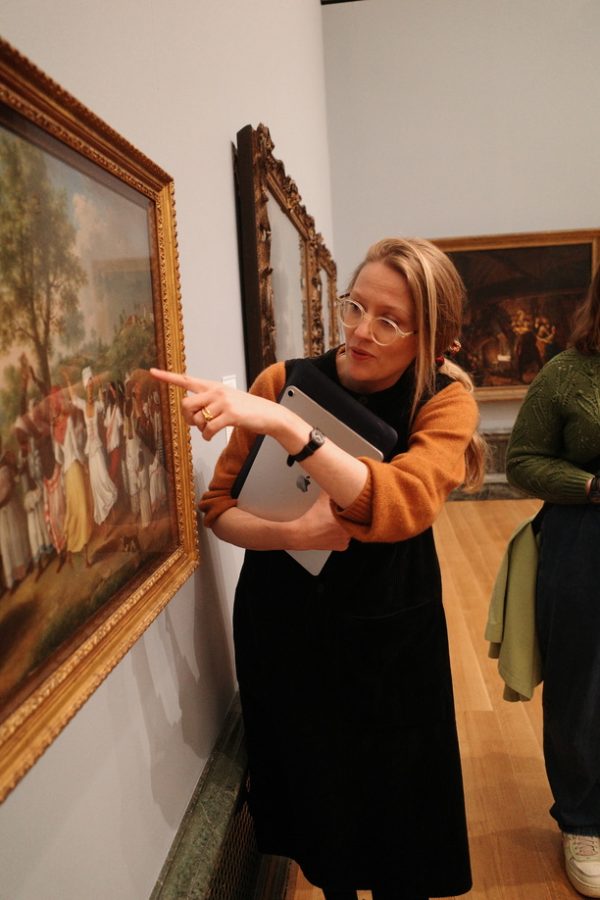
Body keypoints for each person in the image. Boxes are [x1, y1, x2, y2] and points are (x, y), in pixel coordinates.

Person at [152, 237, 486, 899]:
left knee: (398, 808)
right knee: (318, 803)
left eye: (389, 322)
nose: (360, 331)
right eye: (355, 307)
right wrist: (292, 532)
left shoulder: (444, 402)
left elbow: (401, 503)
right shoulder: (282, 382)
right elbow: (219, 510)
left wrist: (290, 429)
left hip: (391, 629)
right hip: (286, 624)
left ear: (432, 340)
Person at [506, 265, 600, 899]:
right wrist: (589, 485)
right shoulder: (568, 372)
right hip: (586, 539)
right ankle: (584, 820)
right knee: (583, 682)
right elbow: (521, 462)